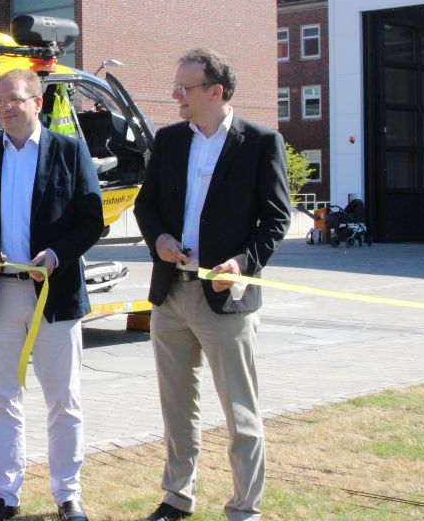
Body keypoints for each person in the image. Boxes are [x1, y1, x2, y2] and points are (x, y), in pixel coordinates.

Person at [132, 49, 291, 521]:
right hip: (171, 294)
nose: (175, 94)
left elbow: (276, 218)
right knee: (177, 408)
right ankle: (176, 498)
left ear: (216, 91)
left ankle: (245, 508)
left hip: (226, 299)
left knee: (240, 411)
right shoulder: (170, 140)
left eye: (185, 87)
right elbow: (146, 205)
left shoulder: (261, 142)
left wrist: (241, 263)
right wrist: (159, 239)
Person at [0, 69, 103, 521]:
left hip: (54, 294)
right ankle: (5, 495)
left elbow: (91, 221)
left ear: (37, 102)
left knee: (63, 399)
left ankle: (68, 495)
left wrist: (55, 256)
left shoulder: (70, 152)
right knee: (2, 398)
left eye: (12, 99)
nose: (3, 108)